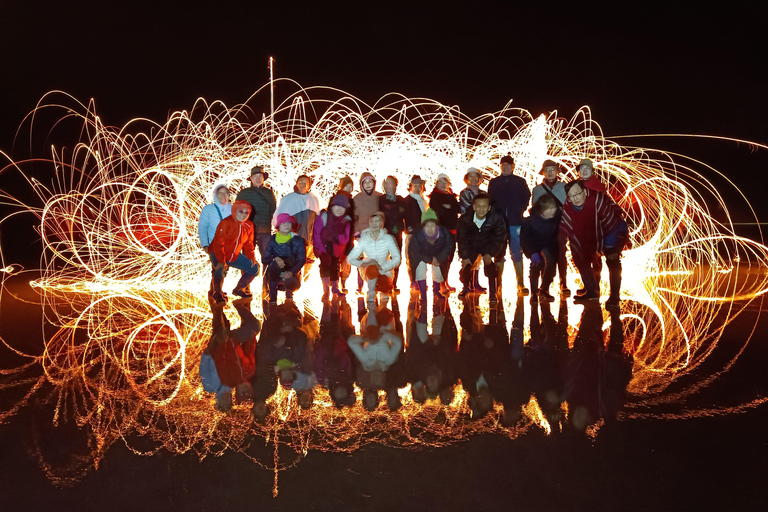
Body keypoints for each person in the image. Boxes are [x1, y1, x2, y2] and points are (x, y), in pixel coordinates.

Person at [559, 181, 628, 305]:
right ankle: (591, 292)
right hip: (590, 234)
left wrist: (611, 247)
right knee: (579, 257)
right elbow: (566, 226)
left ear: (584, 191)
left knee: (613, 259)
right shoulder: (568, 206)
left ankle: (614, 297)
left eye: (578, 194)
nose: (575, 198)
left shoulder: (598, 200)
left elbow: (610, 224)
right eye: (571, 196)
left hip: (614, 230)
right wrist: (561, 241)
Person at [487, 153, 531, 294]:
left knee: (517, 251)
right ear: (500, 167)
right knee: (499, 253)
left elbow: (526, 196)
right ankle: (498, 284)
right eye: (503, 165)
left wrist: (520, 210)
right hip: (499, 224)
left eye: (508, 165)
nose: (505, 168)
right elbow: (490, 200)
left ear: (513, 167)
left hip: (515, 222)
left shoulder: (520, 182)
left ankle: (521, 283)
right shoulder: (494, 182)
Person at [456, 193, 507, 301]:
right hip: (472, 244)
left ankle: (493, 291)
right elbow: (461, 238)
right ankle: (466, 287)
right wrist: (465, 256)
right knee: (466, 267)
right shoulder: (465, 219)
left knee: (490, 266)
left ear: (489, 208)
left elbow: (500, 237)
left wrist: (491, 253)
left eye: (484, 206)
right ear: (474, 206)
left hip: (488, 243)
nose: (481, 209)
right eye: (478, 206)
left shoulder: (496, 218)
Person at [208, 200, 260, 303]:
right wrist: (221, 261)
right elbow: (219, 243)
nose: (244, 215)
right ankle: (217, 293)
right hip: (217, 252)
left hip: (233, 254)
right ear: (235, 211)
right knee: (220, 269)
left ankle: (239, 289)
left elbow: (249, 243)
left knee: (254, 268)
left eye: (246, 212)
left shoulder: (249, 225)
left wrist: (251, 258)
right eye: (241, 211)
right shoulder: (225, 223)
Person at [531, 160, 570, 296]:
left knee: (561, 254)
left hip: (560, 227)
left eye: (552, 169)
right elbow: (534, 210)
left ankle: (563, 284)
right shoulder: (537, 190)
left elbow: (569, 207)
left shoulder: (565, 187)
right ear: (543, 172)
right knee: (545, 257)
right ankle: (544, 287)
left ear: (557, 171)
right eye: (547, 170)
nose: (550, 172)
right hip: (543, 229)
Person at [348, 211, 401, 303]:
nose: (374, 224)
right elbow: (351, 259)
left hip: (384, 269)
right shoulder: (364, 239)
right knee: (372, 269)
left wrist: (383, 266)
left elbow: (397, 258)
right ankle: (372, 293)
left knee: (385, 287)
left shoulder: (388, 238)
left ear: (382, 223)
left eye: (377, 221)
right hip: (369, 270)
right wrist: (365, 263)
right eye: (372, 221)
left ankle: (384, 294)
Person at [407, 208, 456, 302]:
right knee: (419, 268)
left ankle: (436, 291)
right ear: (423, 227)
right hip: (421, 255)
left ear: (437, 226)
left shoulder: (445, 234)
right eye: (427, 226)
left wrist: (439, 258)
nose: (430, 229)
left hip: (438, 253)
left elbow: (449, 246)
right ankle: (423, 294)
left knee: (439, 269)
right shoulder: (417, 235)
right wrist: (429, 259)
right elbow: (414, 252)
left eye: (433, 225)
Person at [520, 195, 561, 303]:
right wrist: (532, 253)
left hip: (550, 246)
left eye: (554, 207)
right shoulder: (530, 221)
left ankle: (544, 290)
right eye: (550, 208)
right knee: (535, 267)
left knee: (550, 268)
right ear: (542, 210)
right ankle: (534, 293)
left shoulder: (557, 218)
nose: (553, 210)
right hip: (534, 246)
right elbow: (524, 239)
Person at [313, 193, 353, 300]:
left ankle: (335, 288)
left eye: (342, 207)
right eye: (337, 206)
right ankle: (325, 291)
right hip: (323, 248)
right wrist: (321, 250)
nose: (339, 209)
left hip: (337, 249)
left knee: (335, 268)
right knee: (325, 267)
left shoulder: (346, 221)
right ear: (331, 206)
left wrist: (337, 237)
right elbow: (316, 234)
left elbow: (346, 238)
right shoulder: (323, 217)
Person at [262, 213, 307, 305]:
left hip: (291, 269)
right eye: (283, 223)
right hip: (275, 270)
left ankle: (289, 295)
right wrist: (275, 259)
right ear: (278, 226)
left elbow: (301, 259)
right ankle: (273, 297)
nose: (286, 225)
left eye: (288, 223)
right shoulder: (272, 240)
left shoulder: (298, 240)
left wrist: (291, 272)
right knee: (274, 267)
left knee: (290, 274)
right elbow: (265, 259)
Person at [273, 174, 321, 257]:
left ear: (309, 185)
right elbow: (277, 218)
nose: (303, 185)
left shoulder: (314, 199)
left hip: (310, 240)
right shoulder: (288, 199)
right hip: (293, 239)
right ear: (296, 183)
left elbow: (317, 220)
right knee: (295, 262)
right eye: (301, 182)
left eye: (306, 183)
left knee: (309, 262)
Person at [198, 183, 232, 297]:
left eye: (225, 193)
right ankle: (218, 293)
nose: (223, 195)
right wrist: (205, 244)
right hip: (214, 245)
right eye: (220, 193)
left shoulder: (233, 209)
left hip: (229, 246)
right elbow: (203, 227)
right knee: (219, 267)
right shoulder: (208, 209)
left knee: (223, 269)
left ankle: (213, 289)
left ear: (229, 195)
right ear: (215, 195)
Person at [428, 173, 460, 292]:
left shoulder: (451, 196)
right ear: (436, 184)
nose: (442, 184)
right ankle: (440, 283)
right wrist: (447, 207)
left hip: (452, 231)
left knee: (449, 258)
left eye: (445, 182)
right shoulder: (435, 196)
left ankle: (445, 281)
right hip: (441, 231)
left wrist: (448, 206)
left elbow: (457, 209)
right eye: (440, 182)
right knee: (442, 257)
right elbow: (437, 211)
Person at [236, 165, 277, 258]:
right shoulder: (244, 193)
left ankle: (267, 273)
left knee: (267, 257)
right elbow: (236, 211)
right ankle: (247, 273)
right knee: (247, 257)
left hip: (265, 230)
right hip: (247, 231)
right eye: (255, 176)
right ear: (251, 178)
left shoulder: (269, 193)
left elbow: (273, 210)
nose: (258, 179)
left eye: (260, 176)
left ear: (263, 178)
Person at [352, 172, 383, 293]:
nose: (368, 184)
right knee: (363, 260)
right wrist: (356, 233)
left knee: (378, 259)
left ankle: (377, 284)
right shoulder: (357, 199)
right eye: (365, 182)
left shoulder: (379, 197)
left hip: (377, 233)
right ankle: (360, 285)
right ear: (361, 184)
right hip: (363, 233)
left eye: (370, 182)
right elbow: (354, 217)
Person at [378, 175, 408, 292]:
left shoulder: (401, 200)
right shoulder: (381, 199)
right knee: (382, 257)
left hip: (396, 232)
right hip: (384, 232)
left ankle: (393, 283)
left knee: (396, 257)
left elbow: (405, 215)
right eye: (386, 184)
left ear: (395, 185)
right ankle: (381, 283)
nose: (387, 186)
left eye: (390, 184)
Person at [404, 175, 427, 289]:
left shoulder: (422, 200)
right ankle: (413, 280)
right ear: (411, 186)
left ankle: (420, 279)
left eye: (420, 186)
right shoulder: (408, 200)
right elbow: (405, 216)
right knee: (412, 256)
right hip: (413, 232)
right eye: (415, 186)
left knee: (421, 256)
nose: (418, 188)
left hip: (422, 232)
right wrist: (409, 229)